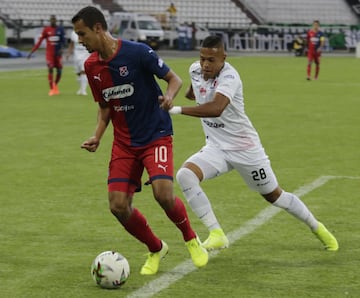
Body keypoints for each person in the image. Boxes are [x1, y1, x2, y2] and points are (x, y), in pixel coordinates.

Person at [167, 35, 338, 252]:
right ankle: (216, 233)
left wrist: (177, 109)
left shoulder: (231, 76)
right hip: (216, 147)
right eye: (202, 59)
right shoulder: (196, 70)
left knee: (274, 196)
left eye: (211, 60)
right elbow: (193, 92)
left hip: (245, 149)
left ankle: (317, 227)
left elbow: (216, 108)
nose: (205, 65)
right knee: (185, 175)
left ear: (223, 58)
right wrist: (194, 91)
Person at [71, 6, 208, 275]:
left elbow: (174, 79)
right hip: (124, 143)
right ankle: (156, 248)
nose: (80, 40)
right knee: (118, 206)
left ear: (98, 28)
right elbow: (105, 107)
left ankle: (191, 239)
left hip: (155, 134)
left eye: (82, 33)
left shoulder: (137, 52)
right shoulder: (91, 66)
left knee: (163, 193)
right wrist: (97, 136)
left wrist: (169, 96)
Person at [28, 15, 66, 96]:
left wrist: (62, 49)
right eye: (51, 20)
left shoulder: (60, 29)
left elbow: (64, 42)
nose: (53, 21)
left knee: (59, 72)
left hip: (58, 54)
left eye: (54, 20)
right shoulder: (46, 30)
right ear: (50, 21)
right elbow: (39, 42)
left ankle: (55, 85)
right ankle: (52, 89)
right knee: (50, 68)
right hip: (49, 54)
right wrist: (32, 52)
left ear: (56, 21)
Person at [66, 30, 90, 96]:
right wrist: (68, 53)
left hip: (85, 53)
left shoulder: (87, 31)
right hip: (76, 53)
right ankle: (81, 88)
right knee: (78, 72)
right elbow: (71, 44)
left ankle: (83, 90)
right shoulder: (73, 33)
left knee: (83, 71)